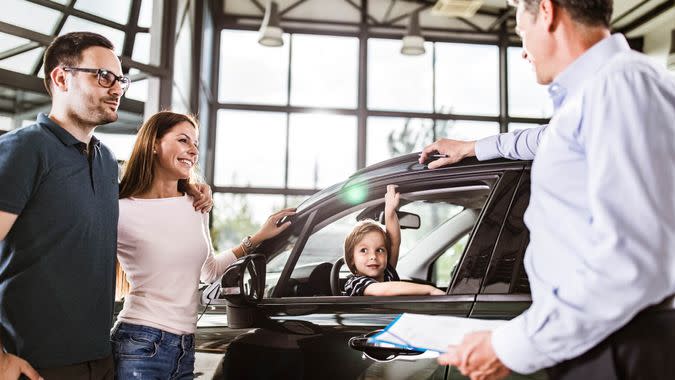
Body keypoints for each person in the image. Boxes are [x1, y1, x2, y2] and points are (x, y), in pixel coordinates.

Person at [419, 1, 675, 379]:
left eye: (522, 30)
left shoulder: (620, 84)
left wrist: (509, 346)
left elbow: (632, 260)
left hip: (621, 345)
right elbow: (542, 141)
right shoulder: (594, 96)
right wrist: (474, 148)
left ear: (546, 10)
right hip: (596, 341)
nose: (523, 50)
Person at [0, 32, 211, 380]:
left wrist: (193, 189)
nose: (116, 88)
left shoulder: (104, 160)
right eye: (103, 76)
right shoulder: (24, 150)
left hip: (102, 361)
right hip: (37, 366)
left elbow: (147, 209)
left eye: (121, 80)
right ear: (61, 77)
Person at [112, 111, 296, 379]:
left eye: (195, 143)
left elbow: (208, 271)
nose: (193, 150)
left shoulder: (195, 204)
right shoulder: (121, 211)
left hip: (184, 346)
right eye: (184, 140)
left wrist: (257, 238)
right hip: (139, 343)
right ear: (153, 144)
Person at [343, 185, 445, 296]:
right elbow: (382, 290)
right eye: (363, 250)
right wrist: (430, 290)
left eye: (380, 250)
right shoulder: (355, 282)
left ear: (387, 254)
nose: (373, 256)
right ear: (352, 258)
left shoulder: (387, 272)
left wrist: (390, 210)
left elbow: (394, 242)